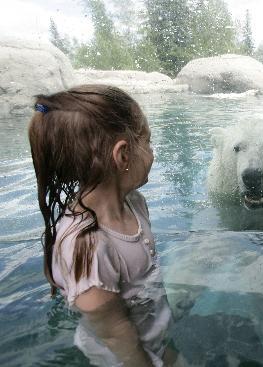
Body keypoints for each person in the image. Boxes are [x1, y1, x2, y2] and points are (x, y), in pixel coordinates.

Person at [28, 85, 180, 366]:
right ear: (122, 155)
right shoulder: (87, 247)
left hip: (154, 337)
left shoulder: (135, 203)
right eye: (147, 142)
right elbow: (114, 335)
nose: (151, 152)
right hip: (123, 358)